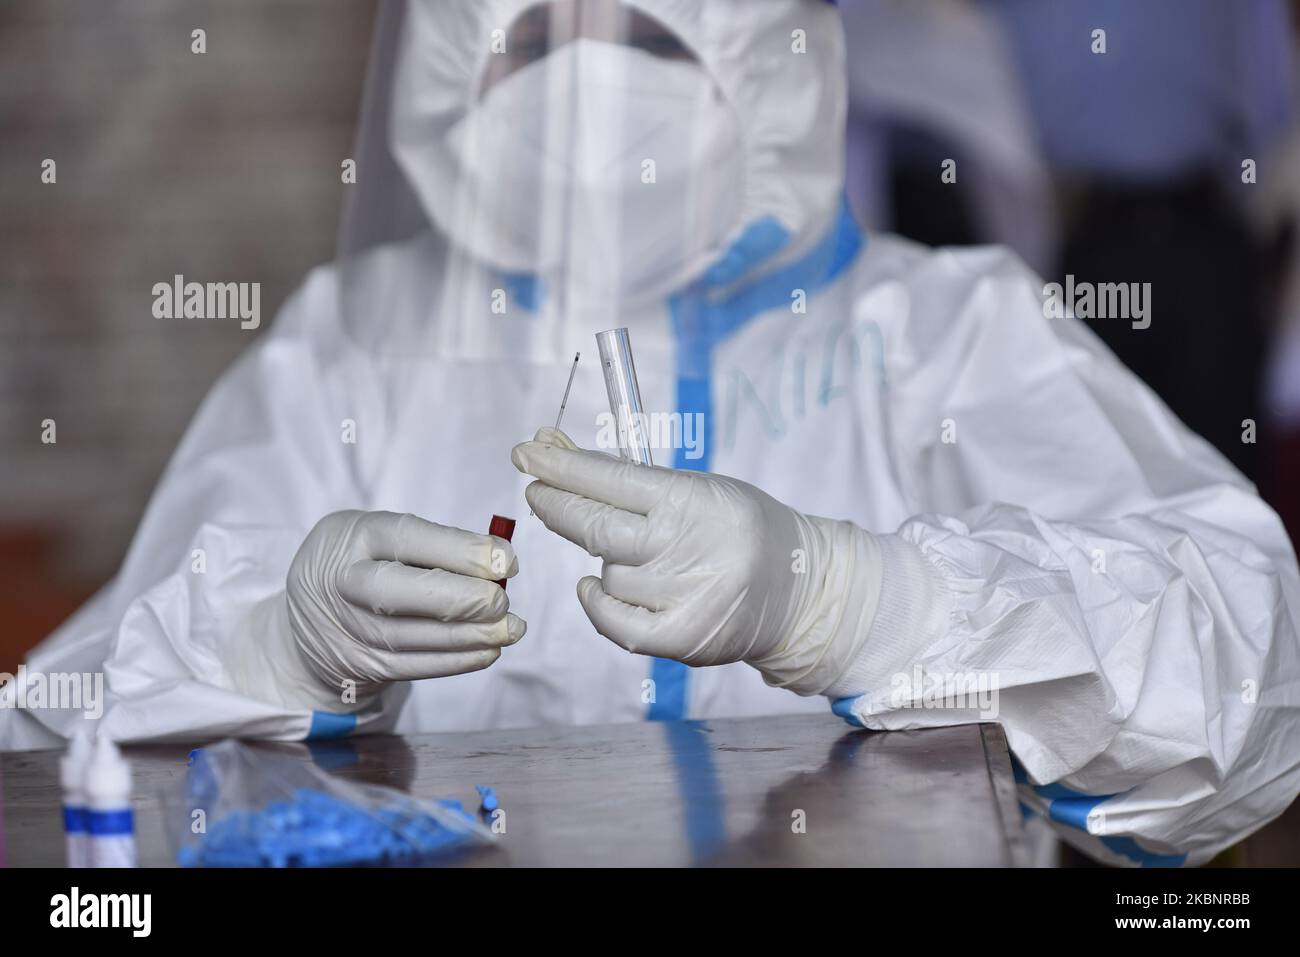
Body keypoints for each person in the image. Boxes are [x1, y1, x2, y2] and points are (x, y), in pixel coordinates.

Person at [3, 0, 1297, 867]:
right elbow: (66, 739)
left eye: (649, 37)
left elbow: (1254, 685)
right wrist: (277, 645)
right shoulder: (356, 342)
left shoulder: (940, 334)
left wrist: (852, 596)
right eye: (530, 46)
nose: (584, 89)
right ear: (449, 73)